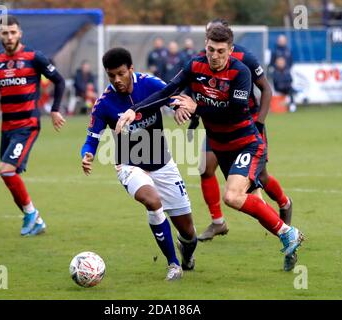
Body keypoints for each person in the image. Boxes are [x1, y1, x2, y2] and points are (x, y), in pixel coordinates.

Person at [116, 25, 305, 272]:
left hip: (246, 144)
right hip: (221, 147)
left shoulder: (240, 71)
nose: (214, 55)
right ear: (205, 44)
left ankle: (288, 230)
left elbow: (234, 111)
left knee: (232, 197)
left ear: (230, 50)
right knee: (251, 201)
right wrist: (135, 110)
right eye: (210, 49)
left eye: (220, 51)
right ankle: (287, 235)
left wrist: (196, 109)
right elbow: (166, 92)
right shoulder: (195, 65)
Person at [81, 47, 197, 281]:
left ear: (131, 69)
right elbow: (91, 139)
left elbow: (172, 96)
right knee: (152, 202)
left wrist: (180, 107)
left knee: (188, 232)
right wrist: (88, 154)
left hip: (162, 163)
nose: (117, 80)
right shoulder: (104, 103)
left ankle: (186, 252)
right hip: (129, 165)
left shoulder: (150, 83)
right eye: (111, 75)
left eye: (121, 73)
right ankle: (173, 264)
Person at [187, 19, 294, 263]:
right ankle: (218, 222)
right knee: (205, 168)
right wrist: (193, 116)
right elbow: (193, 87)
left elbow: (266, 89)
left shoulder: (245, 58)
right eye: (208, 40)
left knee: (260, 180)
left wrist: (260, 122)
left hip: (245, 127)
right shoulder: (203, 59)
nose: (212, 49)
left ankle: (284, 204)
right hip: (215, 126)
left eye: (217, 43)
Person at [0, 15, 66, 236]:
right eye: (5, 33)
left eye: (13, 32)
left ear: (20, 33)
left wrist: (55, 109)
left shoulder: (34, 57)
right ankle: (34, 219)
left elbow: (59, 80)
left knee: (6, 170)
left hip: (27, 125)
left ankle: (31, 214)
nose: (9, 36)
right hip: (6, 127)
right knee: (8, 175)